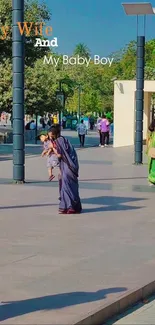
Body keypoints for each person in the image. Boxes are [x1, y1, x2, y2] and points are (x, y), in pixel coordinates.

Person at [49, 125, 82, 214]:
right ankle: (71, 206)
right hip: (71, 166)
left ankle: (68, 206)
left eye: (50, 134)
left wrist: (52, 148)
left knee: (66, 186)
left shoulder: (58, 141)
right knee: (71, 186)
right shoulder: (64, 139)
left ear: (53, 134)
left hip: (67, 166)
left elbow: (60, 155)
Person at [146, 120, 155, 186]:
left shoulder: (151, 132)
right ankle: (152, 179)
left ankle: (152, 179)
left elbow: (148, 141)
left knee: (152, 165)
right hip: (153, 150)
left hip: (152, 150)